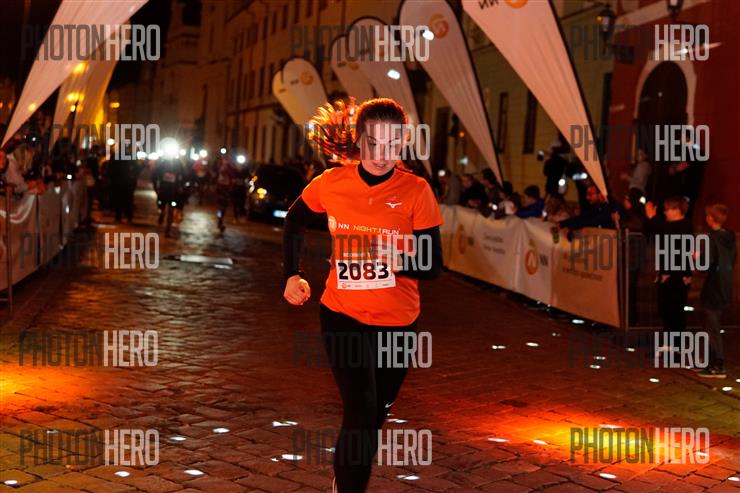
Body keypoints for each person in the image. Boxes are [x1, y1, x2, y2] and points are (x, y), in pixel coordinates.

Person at [282, 98, 443, 493]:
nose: (382, 155)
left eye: (392, 145)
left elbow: (433, 265)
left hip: (398, 324)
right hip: (342, 314)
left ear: (403, 143)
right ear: (358, 140)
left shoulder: (416, 191)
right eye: (373, 144)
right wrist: (292, 275)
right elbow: (294, 220)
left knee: (373, 417)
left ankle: (345, 481)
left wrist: (397, 260)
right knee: (360, 409)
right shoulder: (332, 183)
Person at [645, 196, 693, 332]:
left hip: (677, 277)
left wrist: (653, 217)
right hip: (668, 275)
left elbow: (666, 232)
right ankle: (670, 340)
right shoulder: (670, 226)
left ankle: (676, 342)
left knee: (675, 313)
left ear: (677, 210)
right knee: (666, 311)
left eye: (667, 209)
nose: (665, 212)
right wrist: (651, 219)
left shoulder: (684, 226)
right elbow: (653, 231)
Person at [698, 203, 736, 378]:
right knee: (713, 325)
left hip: (713, 286)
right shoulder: (729, 237)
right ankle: (711, 362)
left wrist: (697, 257)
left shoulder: (711, 239)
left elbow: (705, 264)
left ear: (710, 218)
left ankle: (717, 364)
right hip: (725, 284)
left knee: (712, 327)